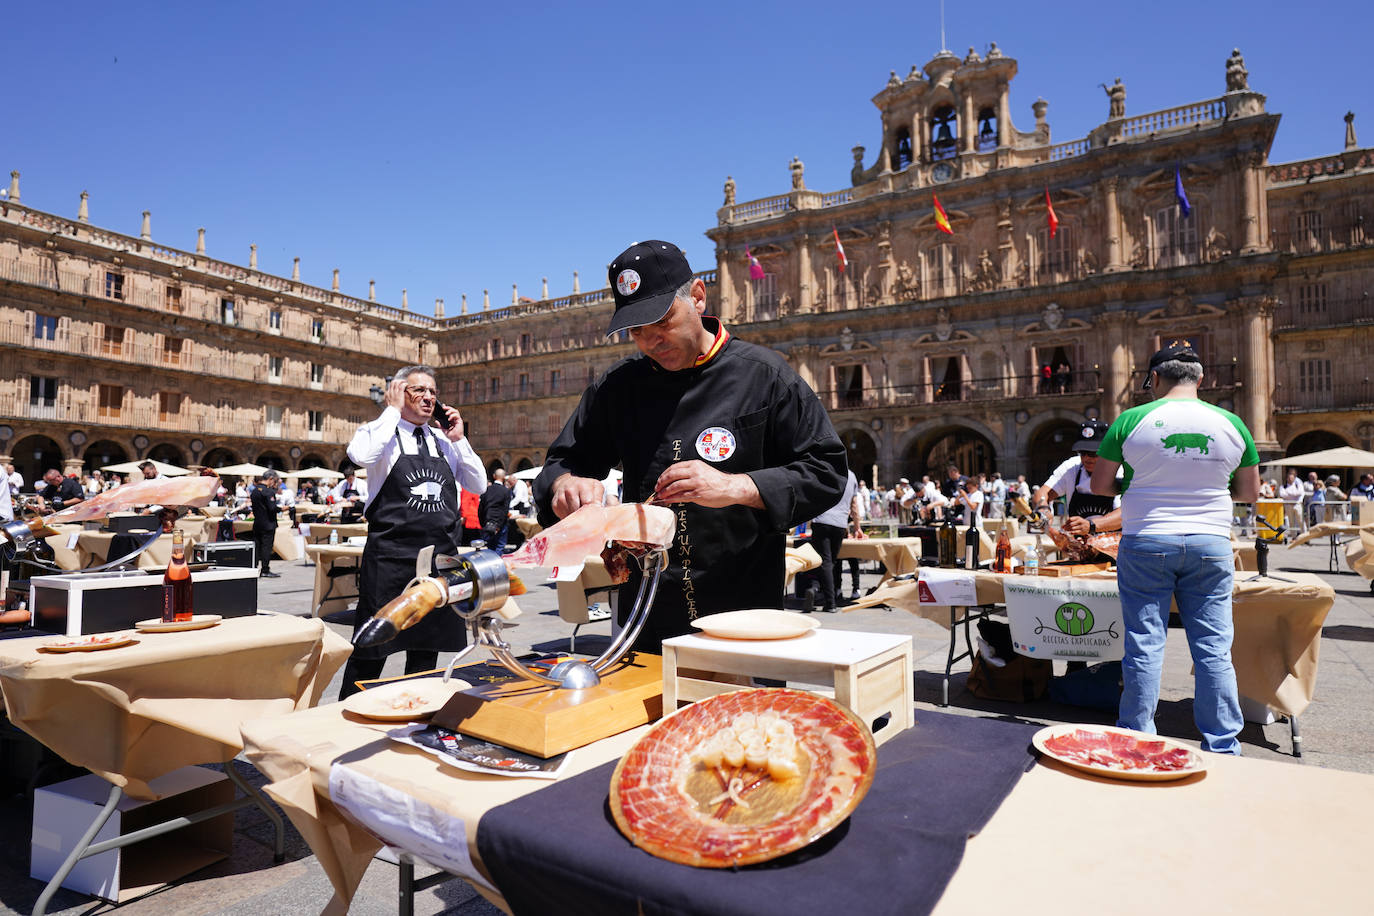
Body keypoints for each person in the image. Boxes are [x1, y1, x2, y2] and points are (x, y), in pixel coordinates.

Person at [533, 239, 846, 651]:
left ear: (698, 297)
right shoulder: (617, 388)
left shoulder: (765, 376)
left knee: (740, 715)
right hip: (645, 607)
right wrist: (564, 485)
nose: (651, 341)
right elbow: (563, 463)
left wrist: (738, 487)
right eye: (637, 331)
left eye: (663, 321)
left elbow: (826, 470)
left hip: (742, 609)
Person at [1091, 341, 1260, 754]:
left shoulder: (1130, 420)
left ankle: (1137, 737)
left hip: (1147, 536)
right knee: (1214, 646)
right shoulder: (1233, 423)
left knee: (1145, 642)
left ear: (1154, 379)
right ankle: (1222, 743)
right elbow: (1250, 492)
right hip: (1210, 541)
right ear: (1202, 378)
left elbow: (1099, 486)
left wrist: (1134, 486)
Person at [340, 365, 485, 698]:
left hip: (438, 562)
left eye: (433, 392)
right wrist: (390, 411)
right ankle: (345, 712)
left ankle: (417, 712)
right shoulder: (379, 434)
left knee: (427, 650)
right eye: (419, 390)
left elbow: (478, 484)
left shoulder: (443, 442)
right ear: (397, 392)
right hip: (390, 558)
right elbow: (361, 456)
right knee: (371, 647)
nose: (429, 397)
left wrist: (460, 440)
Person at [1032, 420, 1123, 538]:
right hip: (1079, 546)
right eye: (1082, 452)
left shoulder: (1120, 470)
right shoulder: (1071, 467)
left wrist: (1091, 526)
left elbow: (1127, 513)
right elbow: (1042, 493)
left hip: (1115, 547)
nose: (1086, 458)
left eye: (1093, 453)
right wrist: (1043, 509)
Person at [809, 470, 858, 613]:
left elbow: (812, 496)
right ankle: (822, 593)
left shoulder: (823, 469)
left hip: (821, 520)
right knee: (831, 562)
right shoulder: (852, 475)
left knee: (824, 561)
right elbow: (854, 506)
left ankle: (823, 595)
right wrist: (857, 527)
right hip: (840, 524)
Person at [249, 471, 281, 577]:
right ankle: (265, 569)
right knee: (266, 547)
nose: (274, 483)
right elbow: (272, 508)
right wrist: (282, 508)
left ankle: (254, 567)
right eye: (274, 481)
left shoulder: (254, 491)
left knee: (257, 546)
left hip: (257, 522)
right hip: (268, 523)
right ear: (270, 479)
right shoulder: (268, 492)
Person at [479, 468, 513, 551]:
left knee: (489, 547)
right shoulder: (506, 491)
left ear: (494, 476)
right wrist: (499, 526)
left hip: (487, 522)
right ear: (504, 477)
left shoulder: (486, 490)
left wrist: (482, 523)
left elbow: (480, 508)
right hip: (500, 523)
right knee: (500, 546)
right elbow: (505, 510)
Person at [1278, 469, 1305, 535]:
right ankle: (1294, 536)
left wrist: (1289, 493)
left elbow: (1299, 493)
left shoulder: (1298, 485)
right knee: (1291, 522)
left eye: (1292, 478)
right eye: (1289, 478)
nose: (1290, 479)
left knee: (1301, 521)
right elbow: (1282, 494)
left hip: (1297, 504)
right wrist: (1293, 494)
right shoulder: (1283, 486)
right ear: (1287, 479)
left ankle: (1304, 535)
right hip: (1288, 505)